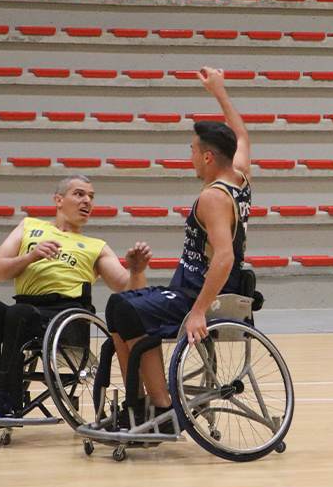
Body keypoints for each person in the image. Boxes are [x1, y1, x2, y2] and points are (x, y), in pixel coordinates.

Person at [105, 67, 251, 429]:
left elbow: (225, 255)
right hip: (205, 288)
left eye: (192, 151)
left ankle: (162, 410)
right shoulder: (240, 176)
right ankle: (139, 406)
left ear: (207, 157)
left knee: (123, 309)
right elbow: (242, 135)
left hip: (200, 293)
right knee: (121, 308)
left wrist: (199, 311)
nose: (189, 156)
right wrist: (220, 91)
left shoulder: (213, 197)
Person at [0, 175, 152, 417]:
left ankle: (5, 396)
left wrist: (137, 271)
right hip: (24, 309)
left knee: (16, 313)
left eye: (91, 197)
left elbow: (129, 292)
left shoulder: (96, 246)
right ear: (58, 200)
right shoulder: (29, 227)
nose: (87, 201)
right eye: (79, 194)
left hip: (65, 316)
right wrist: (31, 256)